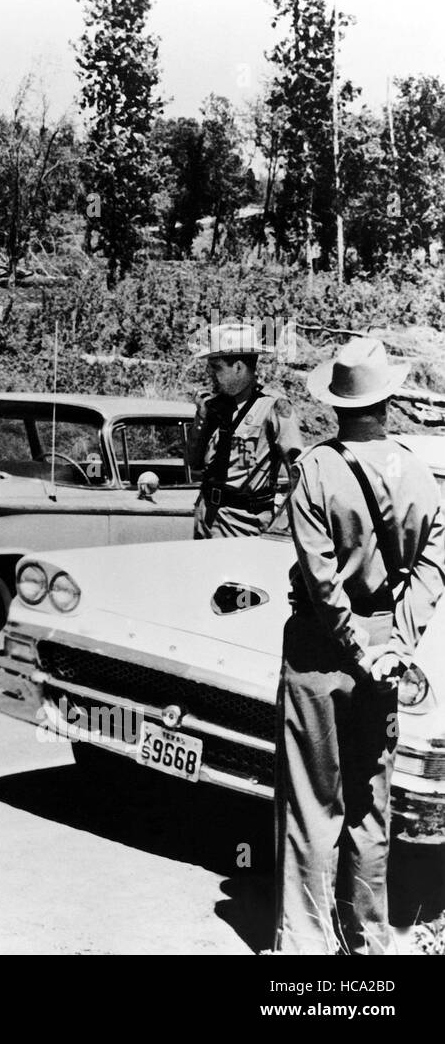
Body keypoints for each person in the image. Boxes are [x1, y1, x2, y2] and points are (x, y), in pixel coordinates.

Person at [275, 335, 445, 954]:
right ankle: (370, 943)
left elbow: (321, 582)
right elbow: (433, 567)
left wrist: (355, 644)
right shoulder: (421, 473)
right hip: (385, 649)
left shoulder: (316, 470)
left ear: (335, 406)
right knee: (371, 805)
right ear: (388, 400)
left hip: (323, 650)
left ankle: (306, 946)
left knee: (312, 804)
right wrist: (395, 644)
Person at [187, 323, 303, 538]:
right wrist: (202, 419)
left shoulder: (273, 407)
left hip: (243, 523)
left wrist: (282, 524)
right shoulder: (214, 407)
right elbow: (193, 463)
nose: (210, 374)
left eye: (216, 367)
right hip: (207, 516)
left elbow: (300, 474)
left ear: (238, 367)